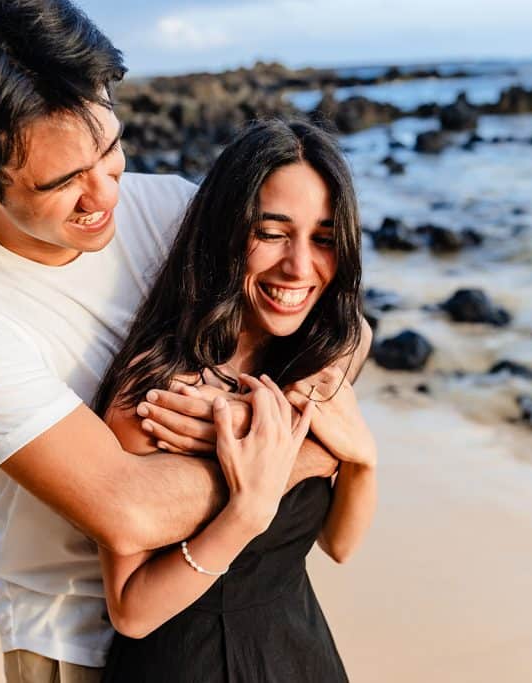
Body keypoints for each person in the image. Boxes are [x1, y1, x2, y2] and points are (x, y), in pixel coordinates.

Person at [0, 1, 341, 681]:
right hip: (75, 637)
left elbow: (340, 322)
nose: (106, 192)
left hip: (211, 608)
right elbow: (128, 509)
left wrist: (257, 416)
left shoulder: (167, 208)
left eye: (109, 150)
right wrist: (305, 453)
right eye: (66, 180)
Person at [93, 119, 377, 682]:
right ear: (227, 231)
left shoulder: (324, 358)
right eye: (272, 233)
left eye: (323, 238)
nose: (299, 266)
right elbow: (131, 611)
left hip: (301, 654)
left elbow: (340, 545)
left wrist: (362, 459)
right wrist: (244, 513)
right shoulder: (158, 398)